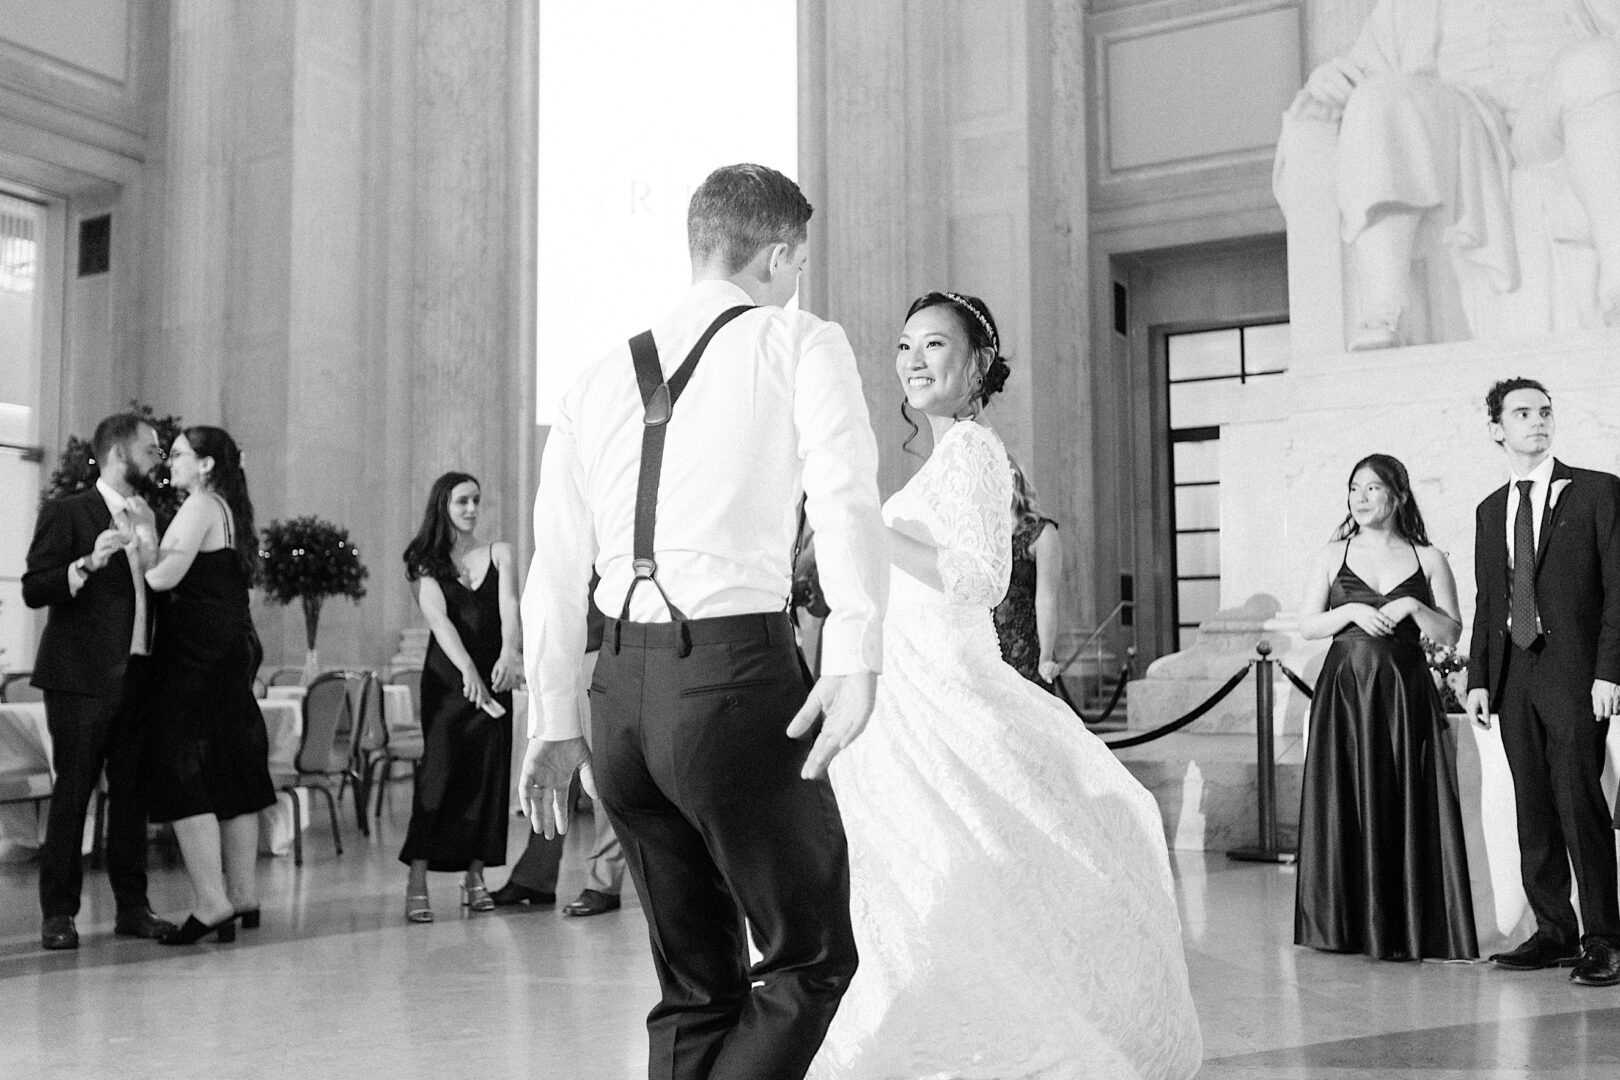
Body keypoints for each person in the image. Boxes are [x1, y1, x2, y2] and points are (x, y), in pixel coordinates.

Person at [520, 163, 888, 1080]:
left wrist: (555, 723)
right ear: (777, 253)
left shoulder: (597, 377)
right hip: (731, 683)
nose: (796, 281)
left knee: (693, 987)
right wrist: (855, 651)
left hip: (619, 707)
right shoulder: (800, 341)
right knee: (810, 957)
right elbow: (845, 499)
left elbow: (554, 568)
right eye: (796, 263)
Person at [811, 292, 1202, 1079]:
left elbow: (981, 578)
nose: (914, 361)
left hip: (946, 688)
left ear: (978, 365)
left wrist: (869, 530)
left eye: (935, 345)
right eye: (904, 346)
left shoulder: (976, 453)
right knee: (920, 879)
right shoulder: (940, 459)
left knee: (964, 872)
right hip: (904, 688)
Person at [1282, 0, 1620, 347]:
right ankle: (1385, 307)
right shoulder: (1409, 8)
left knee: (1596, 63)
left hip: (1550, 127)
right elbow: (1359, 74)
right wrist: (1327, 84)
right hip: (1465, 134)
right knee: (1377, 98)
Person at [1464, 378, 1620, 986]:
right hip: (1513, 676)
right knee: (1532, 807)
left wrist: (1610, 669)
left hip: (1577, 674)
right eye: (1523, 413)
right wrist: (1479, 678)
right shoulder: (1487, 510)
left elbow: (1617, 591)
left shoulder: (1598, 492)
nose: (1538, 421)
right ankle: (1555, 931)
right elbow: (1488, 601)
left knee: (1581, 804)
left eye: (1545, 412)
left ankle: (1604, 937)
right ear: (1497, 428)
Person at [1293, 453, 1476, 961]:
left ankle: (1407, 924)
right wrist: (1350, 609)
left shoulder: (1429, 556)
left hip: (1403, 691)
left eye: (1372, 488)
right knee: (1348, 794)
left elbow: (1454, 633)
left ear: (1397, 495)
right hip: (1347, 690)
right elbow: (1307, 624)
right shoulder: (1333, 554)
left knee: (1406, 795)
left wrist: (1415, 608)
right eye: (1354, 488)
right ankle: (1343, 924)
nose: (1361, 497)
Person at [23, 412, 175, 950]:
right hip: (81, 678)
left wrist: (151, 542)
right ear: (117, 454)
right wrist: (86, 562)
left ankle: (133, 908)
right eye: (151, 449)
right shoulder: (68, 512)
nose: (158, 458)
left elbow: (157, 589)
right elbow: (34, 587)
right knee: (74, 793)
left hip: (138, 673)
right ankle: (58, 914)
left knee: (132, 795)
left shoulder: (150, 514)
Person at [140, 426, 277, 944]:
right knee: (232, 770)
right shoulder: (229, 509)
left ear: (205, 465)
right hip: (227, 653)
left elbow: (161, 579)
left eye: (177, 454)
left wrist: (142, 541)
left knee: (182, 769)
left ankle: (211, 902)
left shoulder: (199, 505)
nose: (168, 462)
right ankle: (242, 895)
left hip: (193, 658)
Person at [398, 472, 523, 923]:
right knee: (439, 773)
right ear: (443, 507)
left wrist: (510, 654)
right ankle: (417, 879)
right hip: (448, 681)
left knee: (489, 776)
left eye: (476, 500)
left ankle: (475, 877)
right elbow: (439, 621)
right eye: (462, 502)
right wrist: (467, 671)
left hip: (496, 675)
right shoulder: (422, 559)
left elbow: (509, 607)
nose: (471, 509)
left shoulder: (501, 553)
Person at [491, 581, 627, 916]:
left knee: (601, 775)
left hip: (604, 652)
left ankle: (603, 882)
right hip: (561, 658)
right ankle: (536, 876)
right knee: (553, 769)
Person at [993, 455, 1063, 689]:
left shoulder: (1042, 533)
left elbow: (1046, 598)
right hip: (985, 648)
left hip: (1024, 647)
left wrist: (1046, 656)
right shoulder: (983, 537)